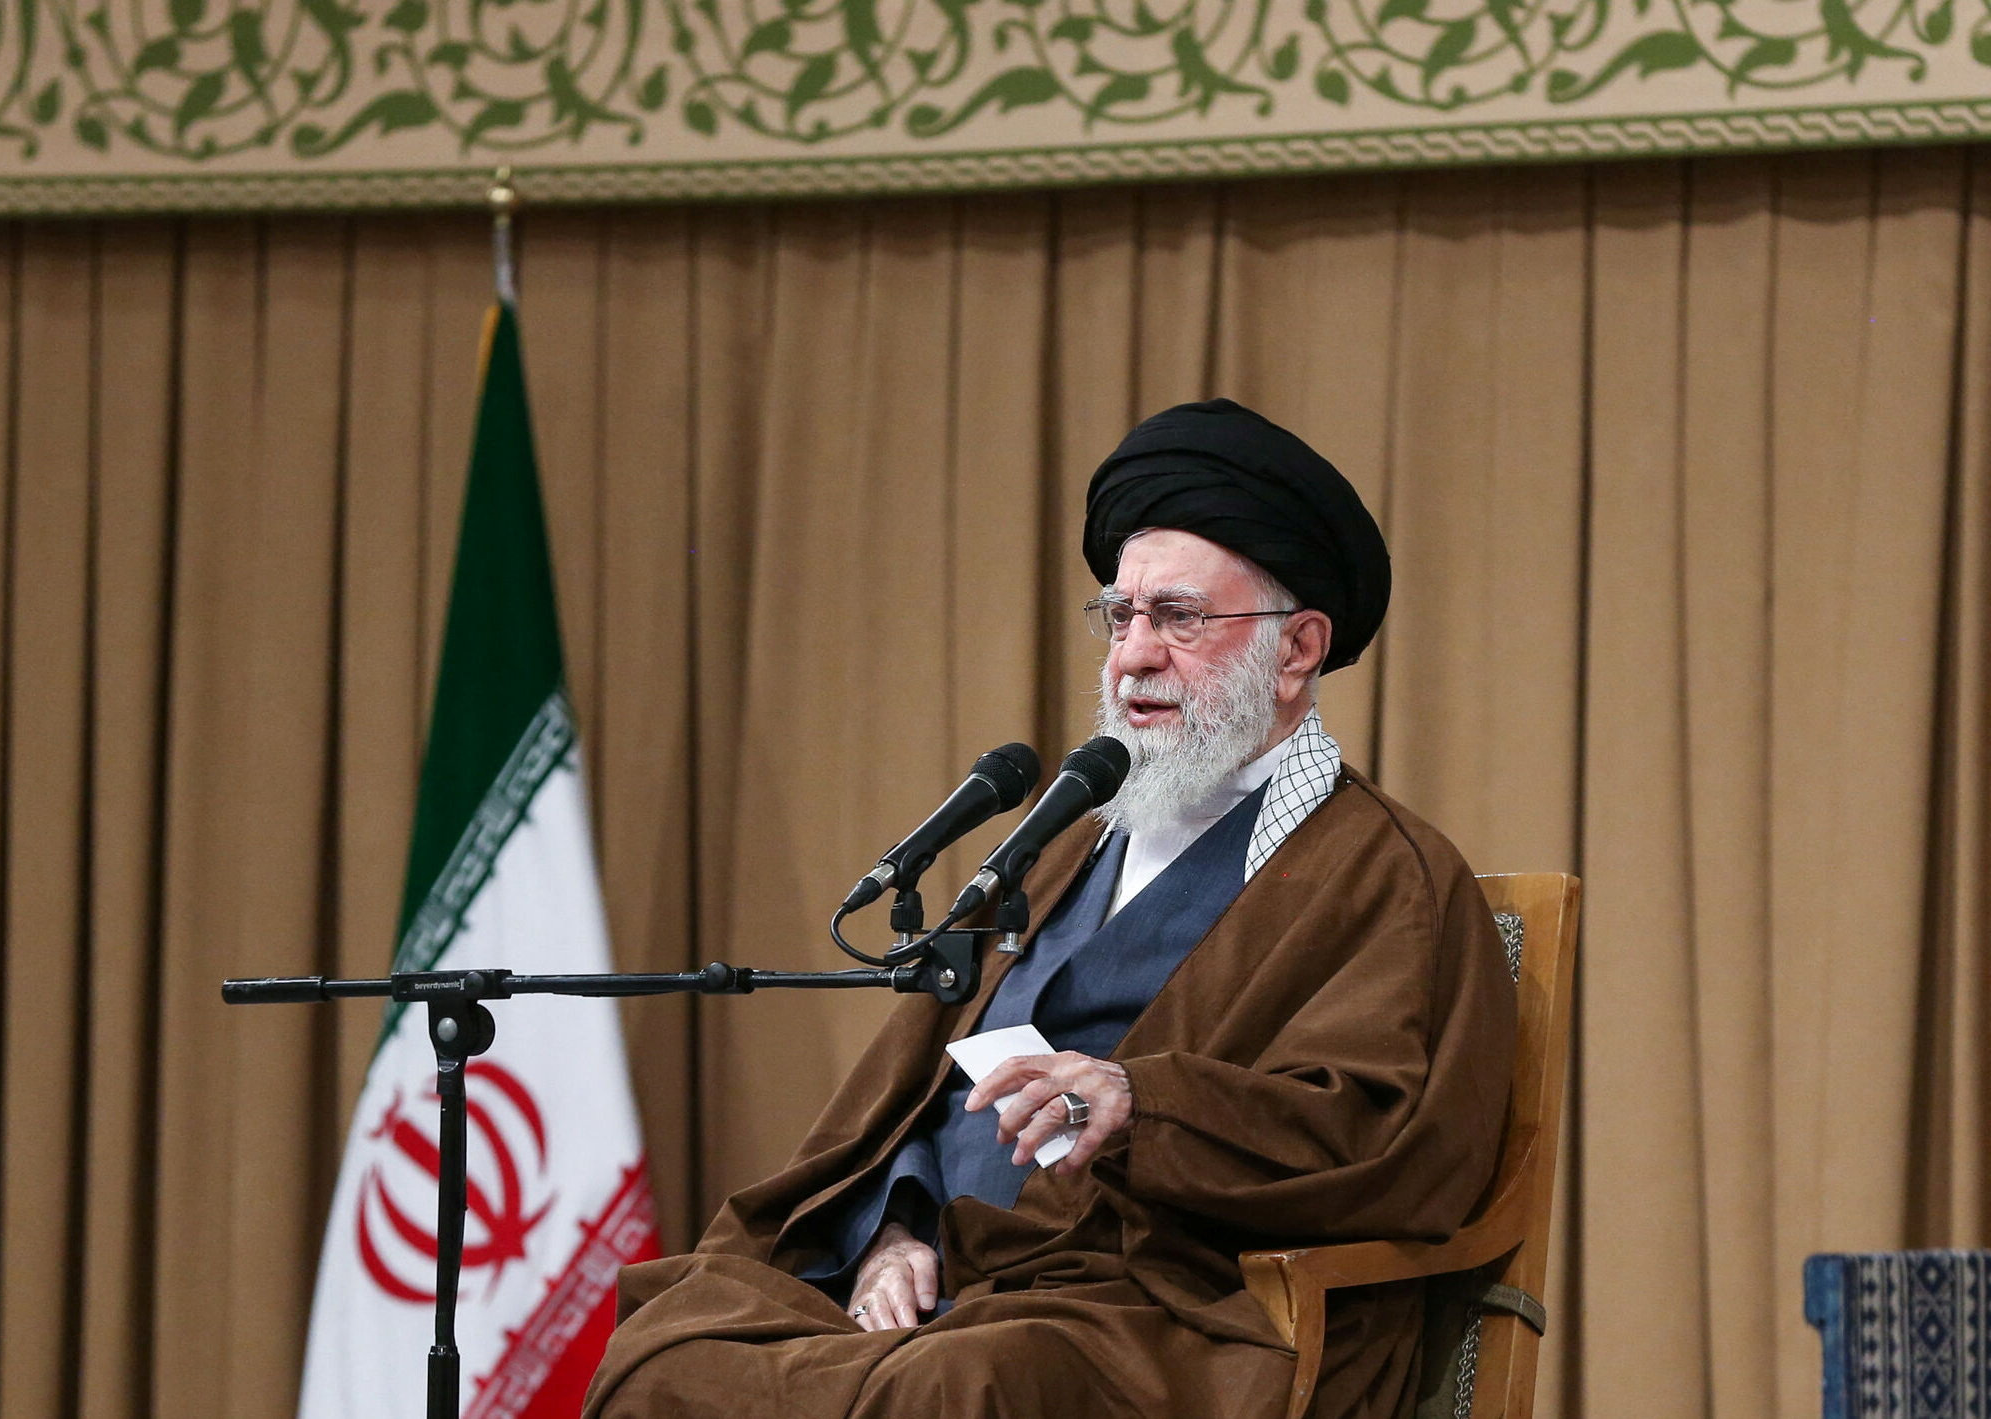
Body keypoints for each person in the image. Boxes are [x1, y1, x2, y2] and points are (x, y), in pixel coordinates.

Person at [582, 399, 1516, 1419]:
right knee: (675, 1343)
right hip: (958, 1280)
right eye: (1120, 616)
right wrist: (893, 1231)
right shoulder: (1067, 843)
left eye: (1180, 617)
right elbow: (921, 1091)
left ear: (1296, 649)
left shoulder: (1386, 876)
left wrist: (1141, 1101)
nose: (1134, 655)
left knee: (960, 1385)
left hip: (1163, 1307)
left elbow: (1388, 1139)